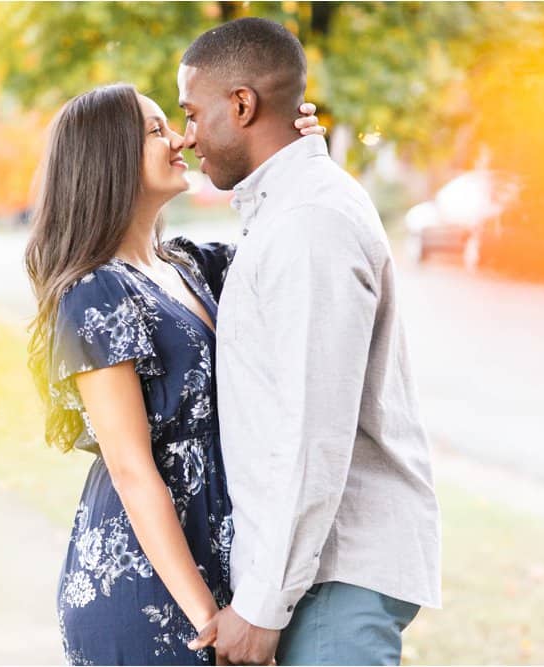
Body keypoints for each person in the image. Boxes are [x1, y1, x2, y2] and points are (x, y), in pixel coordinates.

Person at [24, 84, 323, 665]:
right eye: (158, 130)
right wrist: (207, 619)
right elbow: (132, 470)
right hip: (150, 591)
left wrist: (296, 153)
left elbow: (283, 238)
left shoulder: (190, 266)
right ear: (109, 156)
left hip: (222, 562)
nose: (183, 137)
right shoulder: (96, 291)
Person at [179, 19, 442, 666]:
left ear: (241, 104)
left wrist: (262, 606)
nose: (186, 136)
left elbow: (311, 431)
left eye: (191, 112)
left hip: (332, 574)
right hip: (318, 573)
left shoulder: (308, 223)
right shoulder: (289, 208)